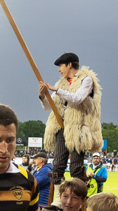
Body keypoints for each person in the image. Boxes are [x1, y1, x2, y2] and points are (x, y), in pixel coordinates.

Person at [38, 52, 101, 185]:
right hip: (63, 126)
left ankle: (77, 200)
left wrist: (57, 90)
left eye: (61, 66)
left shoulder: (86, 79)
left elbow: (77, 98)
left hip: (79, 128)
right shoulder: (61, 83)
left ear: (69, 65)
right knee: (57, 167)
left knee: (75, 168)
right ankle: (58, 201)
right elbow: (48, 106)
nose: (59, 70)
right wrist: (43, 96)